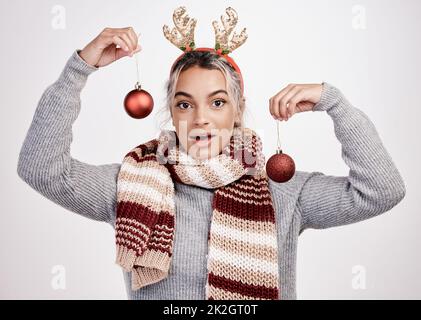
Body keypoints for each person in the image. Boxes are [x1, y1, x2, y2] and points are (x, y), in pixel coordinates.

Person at [17, 10, 406, 300]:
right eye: (185, 105)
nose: (201, 118)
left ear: (237, 109)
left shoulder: (283, 191)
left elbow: (381, 191)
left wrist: (334, 103)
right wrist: (78, 70)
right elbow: (41, 169)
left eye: (217, 102)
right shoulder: (134, 183)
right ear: (171, 111)